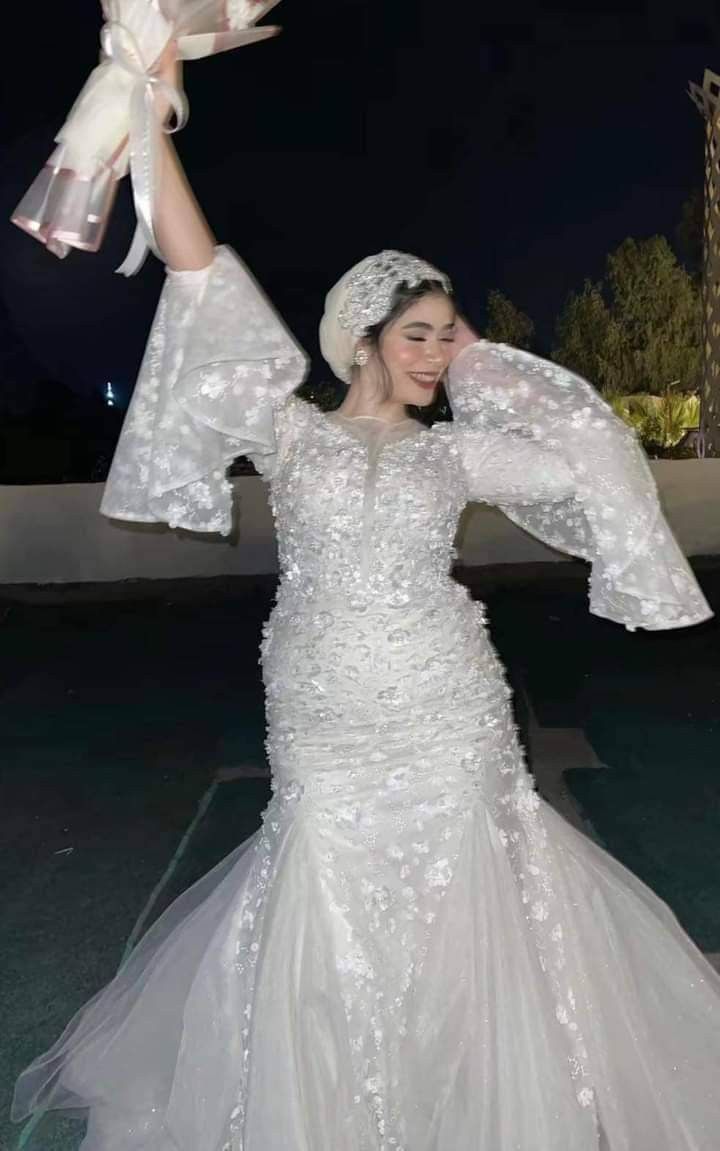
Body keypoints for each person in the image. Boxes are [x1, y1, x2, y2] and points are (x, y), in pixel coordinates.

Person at [12, 41, 720, 1151]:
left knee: (470, 870)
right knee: (325, 867)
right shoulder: (290, 432)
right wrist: (149, 123)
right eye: (421, 333)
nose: (438, 351)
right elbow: (202, 287)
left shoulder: (460, 456)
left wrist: (484, 363)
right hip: (324, 699)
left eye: (449, 332)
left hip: (447, 694)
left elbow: (595, 453)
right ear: (363, 337)